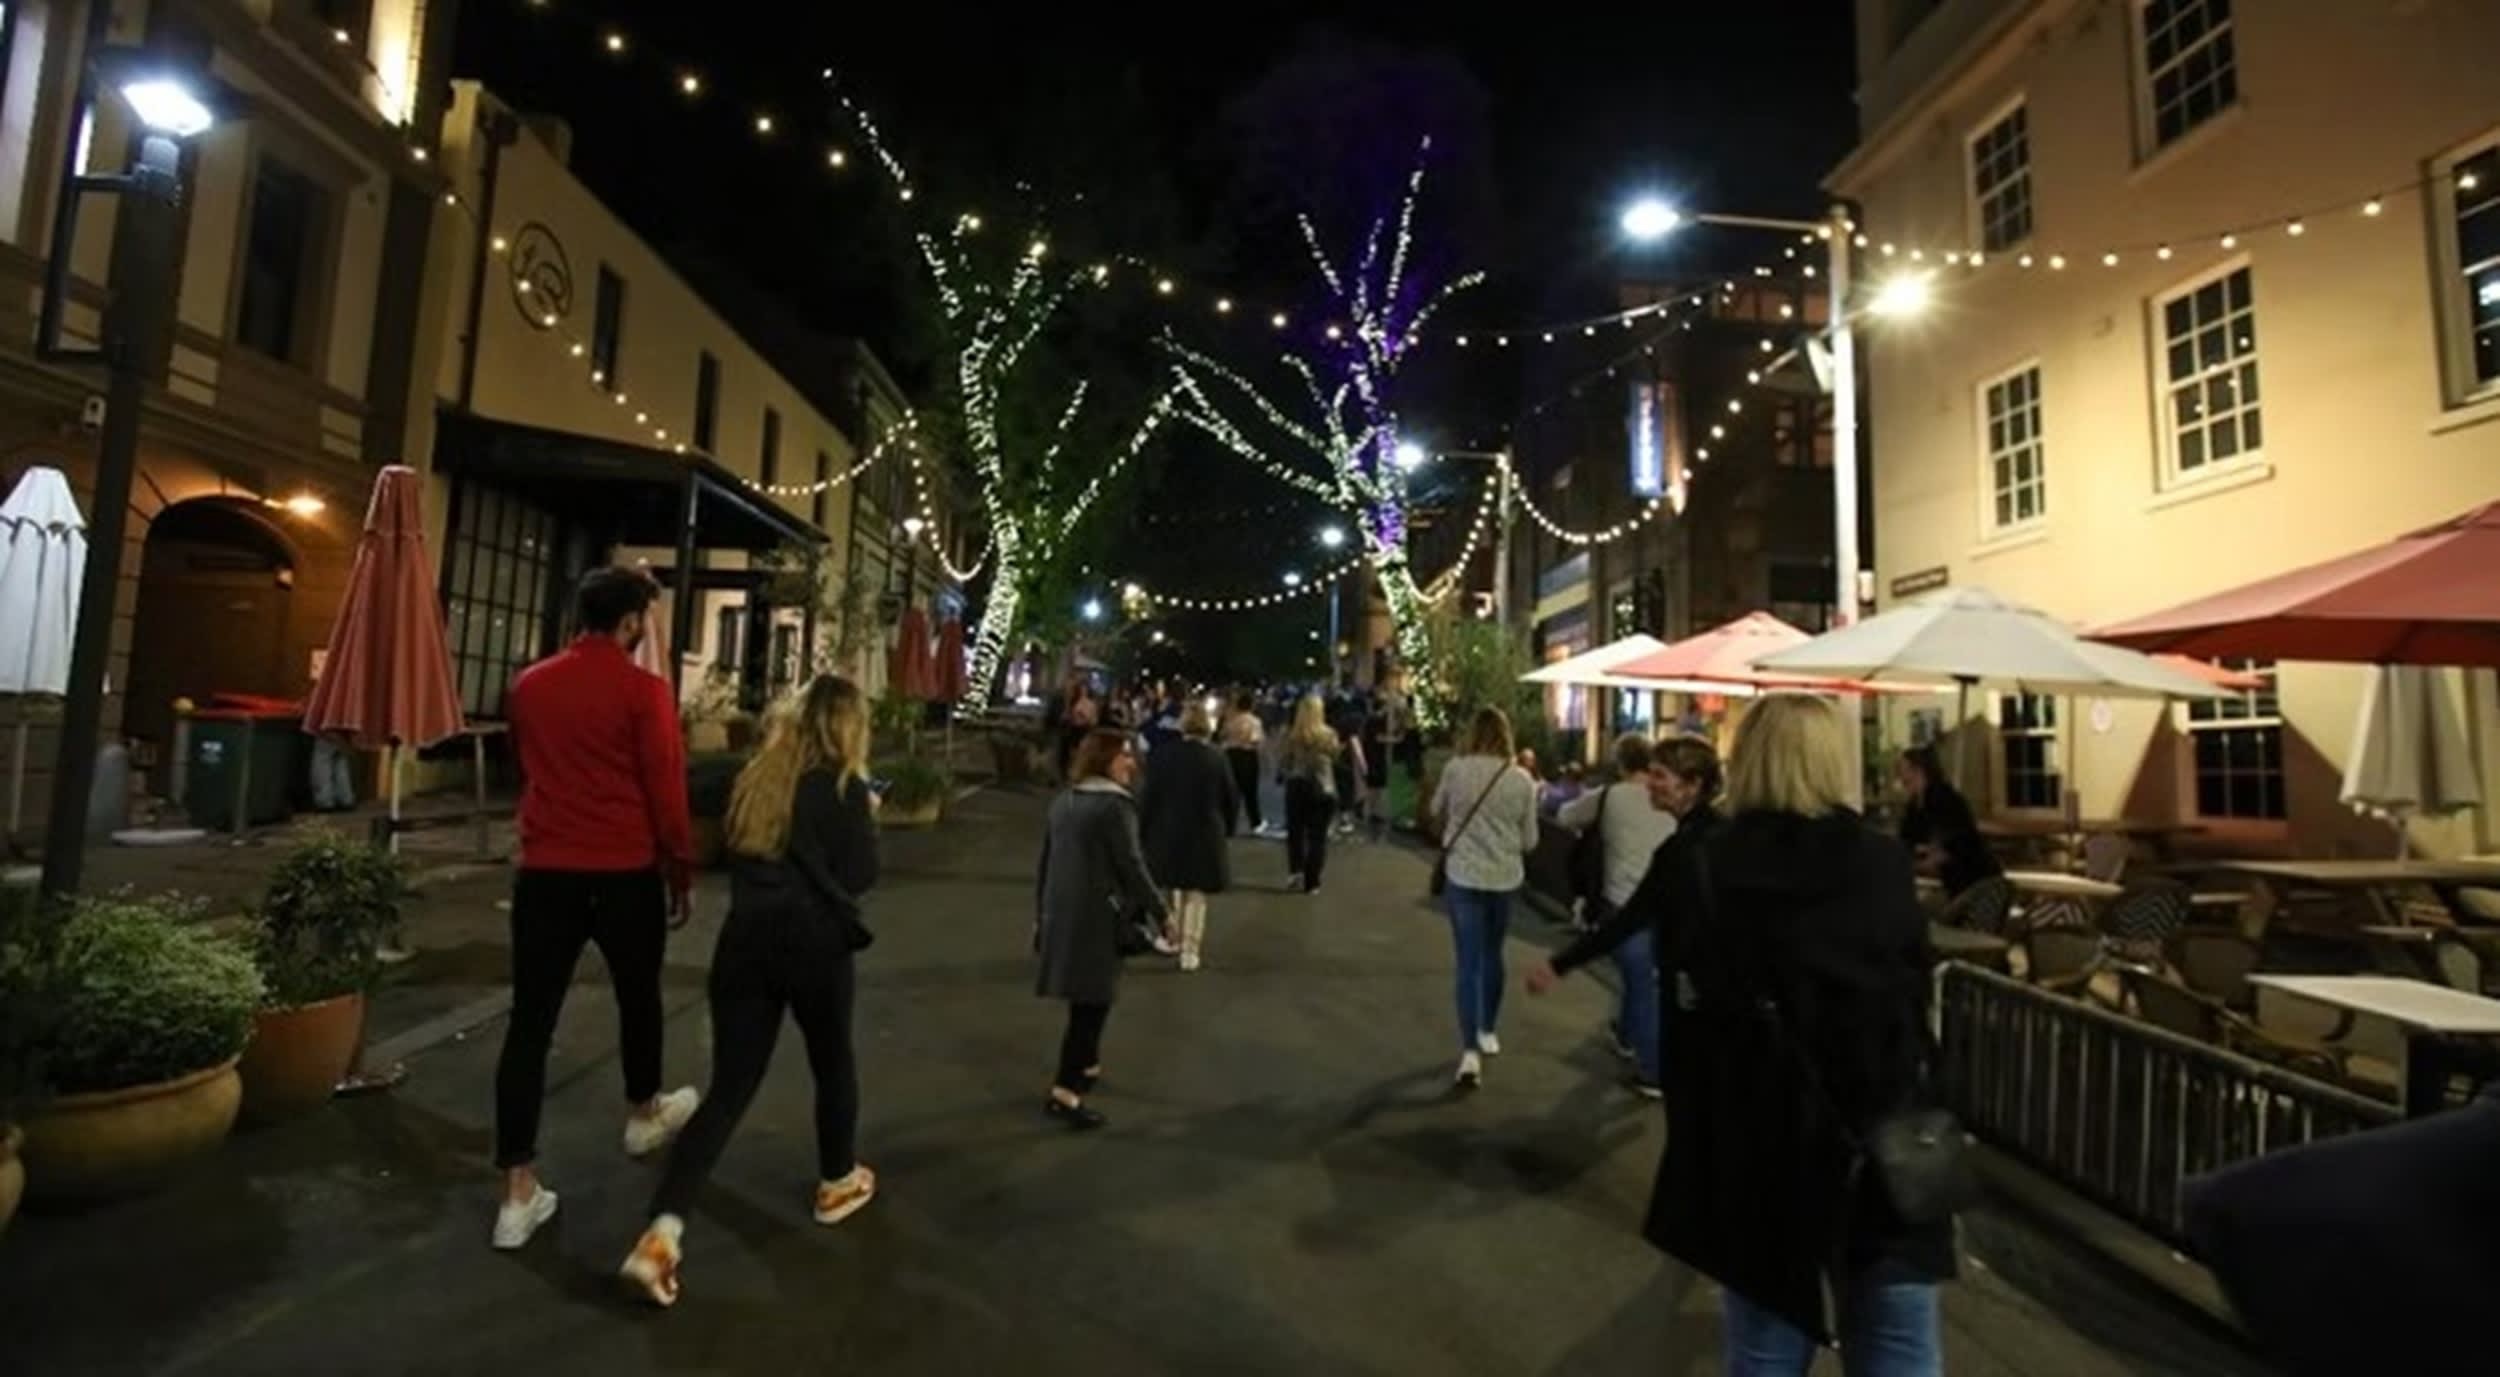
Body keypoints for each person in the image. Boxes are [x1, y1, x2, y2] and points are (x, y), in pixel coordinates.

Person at [1641, 695, 1951, 1373]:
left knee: (1765, 1347)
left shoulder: (1709, 865)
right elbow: (1908, 996)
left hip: (1762, 1141)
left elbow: (1690, 1019)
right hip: (1884, 1136)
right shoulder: (1881, 861)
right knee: (1898, 1340)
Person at [619, 675, 882, 1307]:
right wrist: (866, 819)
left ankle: (662, 1232)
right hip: (815, 949)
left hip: (744, 946)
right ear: (848, 726)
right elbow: (859, 877)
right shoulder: (842, 790)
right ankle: (837, 1179)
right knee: (832, 1062)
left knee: (729, 1089)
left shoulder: (757, 778)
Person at [491, 567, 701, 1252]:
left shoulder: (530, 685)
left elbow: (526, 765)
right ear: (632, 620)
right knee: (638, 995)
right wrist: (679, 867)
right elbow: (665, 786)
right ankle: (643, 1112)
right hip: (622, 870)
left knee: (530, 1022)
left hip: (546, 870)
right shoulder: (644, 692)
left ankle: (517, 1191)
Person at [1035, 728, 1169, 1130]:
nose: (1131, 763)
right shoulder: (1115, 807)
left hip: (1064, 913)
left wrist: (1041, 916)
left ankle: (1087, 1065)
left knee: (1085, 999)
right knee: (1091, 1006)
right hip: (1099, 918)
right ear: (1105, 761)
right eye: (1124, 755)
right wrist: (1162, 913)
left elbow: (1047, 863)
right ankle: (1065, 1091)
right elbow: (1131, 865)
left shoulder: (1065, 801)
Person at [1545, 734, 1688, 1098]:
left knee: (1641, 983)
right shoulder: (1673, 800)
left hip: (1622, 901)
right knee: (1648, 979)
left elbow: (1565, 814)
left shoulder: (1611, 796)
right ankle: (1626, 1034)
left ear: (1621, 763)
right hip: (1670, 904)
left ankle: (1652, 1070)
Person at [1431, 707, 1541, 1089]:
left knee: (1468, 963)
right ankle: (1488, 1029)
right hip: (1504, 877)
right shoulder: (1521, 780)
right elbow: (1530, 840)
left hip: (1463, 874)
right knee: (1493, 954)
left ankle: (1469, 1053)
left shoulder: (1456, 769)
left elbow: (1435, 809)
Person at [1139, 702, 1240, 972]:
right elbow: (1230, 797)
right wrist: (1228, 827)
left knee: (1173, 886)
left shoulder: (1163, 755)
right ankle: (1190, 949)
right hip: (1205, 830)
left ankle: (1172, 937)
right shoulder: (1217, 758)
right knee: (1196, 893)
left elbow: (1149, 796)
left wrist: (1143, 829)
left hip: (1168, 829)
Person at [1897, 745, 1999, 899]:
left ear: (1918, 770)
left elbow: (1954, 845)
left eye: (1903, 770)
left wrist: (1920, 862)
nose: (1900, 777)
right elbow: (1906, 840)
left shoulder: (1944, 799)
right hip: (1956, 883)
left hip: (1977, 883)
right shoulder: (1915, 806)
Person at [1278, 694, 1343, 894]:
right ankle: (1312, 881)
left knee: (1295, 833)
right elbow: (1336, 757)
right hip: (1323, 787)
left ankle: (1295, 873)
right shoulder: (1329, 735)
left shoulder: (1291, 736)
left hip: (1297, 786)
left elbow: (1284, 762)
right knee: (1318, 837)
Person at [1220, 691, 1268, 837]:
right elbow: (1256, 740)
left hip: (1231, 755)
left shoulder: (1230, 720)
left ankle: (1229, 824)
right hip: (1248, 756)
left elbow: (1222, 735)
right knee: (1250, 792)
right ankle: (1255, 822)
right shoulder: (1254, 722)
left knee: (1232, 791)